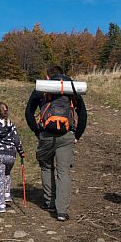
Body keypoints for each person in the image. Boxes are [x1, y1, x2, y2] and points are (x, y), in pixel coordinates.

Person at [25, 65, 87, 222]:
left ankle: (49, 202)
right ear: (63, 75)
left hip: (46, 135)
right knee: (63, 171)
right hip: (66, 134)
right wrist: (77, 134)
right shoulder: (70, 88)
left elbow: (29, 113)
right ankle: (61, 211)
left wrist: (36, 131)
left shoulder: (43, 88)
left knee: (46, 166)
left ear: (48, 76)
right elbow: (82, 113)